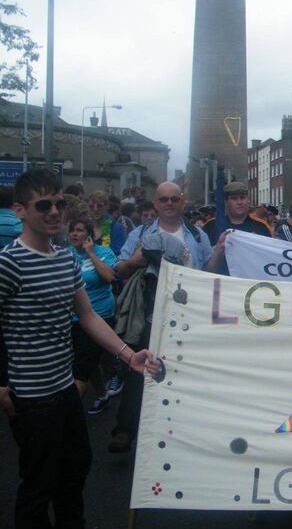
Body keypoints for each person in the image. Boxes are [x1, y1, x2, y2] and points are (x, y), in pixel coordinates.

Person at [0, 169, 155, 529]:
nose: (55, 212)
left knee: (74, 474)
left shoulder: (65, 259)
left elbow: (87, 315)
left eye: (59, 203)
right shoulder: (9, 263)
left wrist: (128, 354)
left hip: (65, 388)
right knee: (39, 484)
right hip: (31, 396)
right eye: (44, 205)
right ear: (20, 210)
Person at [110, 181, 212, 454]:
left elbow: (209, 270)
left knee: (186, 372)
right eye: (163, 199)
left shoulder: (198, 235)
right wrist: (136, 261)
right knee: (140, 369)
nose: (169, 203)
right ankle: (125, 429)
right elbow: (118, 269)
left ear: (182, 201)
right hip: (151, 312)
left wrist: (223, 249)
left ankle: (182, 432)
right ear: (155, 203)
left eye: (174, 199)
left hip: (190, 313)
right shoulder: (141, 233)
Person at [66, 217, 118, 415]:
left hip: (100, 316)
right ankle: (103, 396)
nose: (74, 234)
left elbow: (109, 277)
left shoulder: (103, 252)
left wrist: (90, 254)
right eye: (72, 230)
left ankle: (67, 419)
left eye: (79, 230)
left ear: (89, 235)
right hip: (73, 317)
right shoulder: (66, 254)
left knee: (81, 368)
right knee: (88, 361)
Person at [204, 181, 271, 274]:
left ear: (248, 200)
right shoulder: (211, 226)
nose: (239, 202)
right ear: (226, 202)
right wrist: (218, 249)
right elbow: (203, 264)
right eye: (234, 198)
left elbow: (269, 258)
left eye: (242, 198)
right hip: (220, 280)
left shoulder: (261, 227)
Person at [87, 190, 127, 255]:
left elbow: (116, 253)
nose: (95, 209)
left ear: (107, 206)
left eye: (99, 206)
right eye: (91, 206)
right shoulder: (85, 226)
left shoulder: (117, 228)